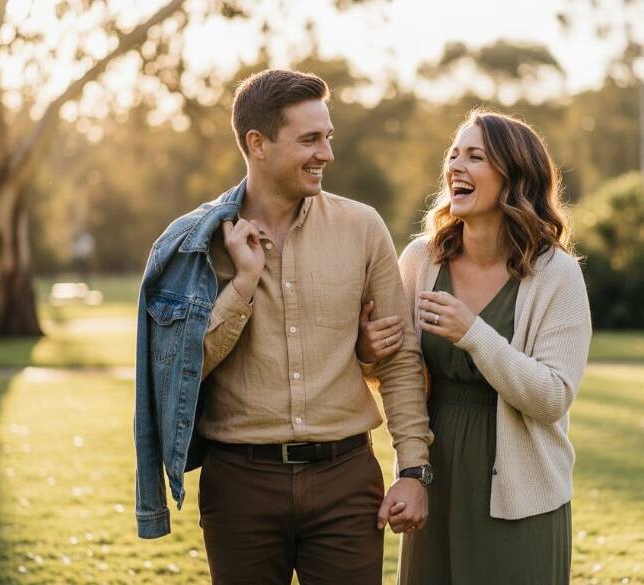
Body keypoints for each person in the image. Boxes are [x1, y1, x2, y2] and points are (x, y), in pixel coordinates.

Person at [134, 69, 433, 585]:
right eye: (310, 139)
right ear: (258, 143)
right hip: (240, 486)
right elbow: (180, 372)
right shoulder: (192, 244)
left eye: (328, 137)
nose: (327, 154)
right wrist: (242, 285)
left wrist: (413, 472)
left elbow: (398, 359)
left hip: (345, 481)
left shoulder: (362, 229)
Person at [357, 109, 591, 584]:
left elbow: (552, 398)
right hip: (434, 477)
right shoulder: (421, 259)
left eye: (475, 156)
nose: (455, 167)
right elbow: (396, 371)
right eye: (453, 154)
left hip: (521, 494)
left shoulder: (557, 274)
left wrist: (474, 334)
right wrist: (367, 351)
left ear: (514, 176)